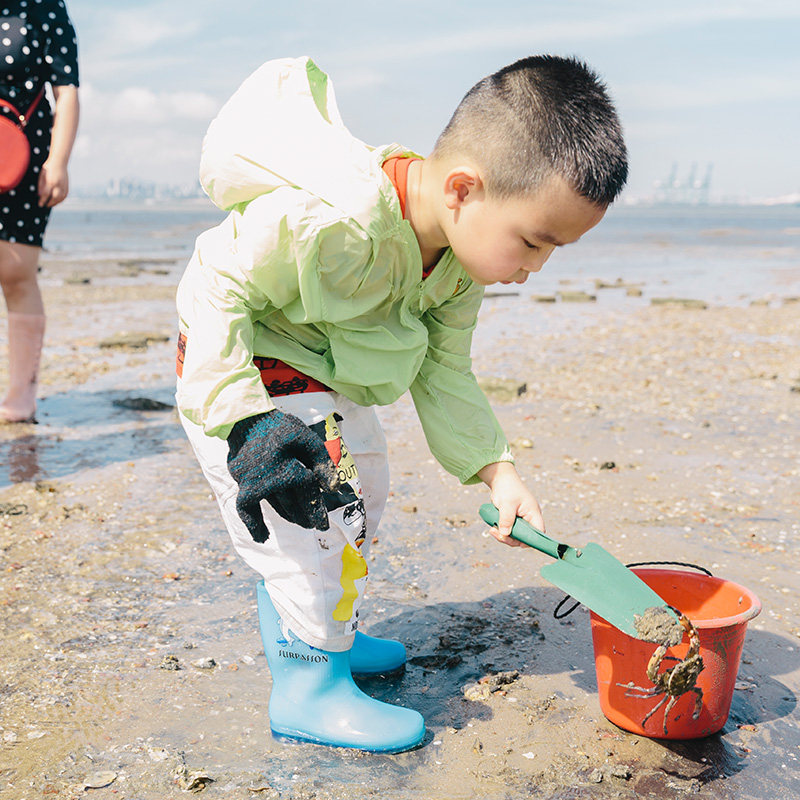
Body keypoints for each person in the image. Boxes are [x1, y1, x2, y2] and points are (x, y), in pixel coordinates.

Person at [176, 55, 627, 753]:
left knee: (364, 492)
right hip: (245, 366)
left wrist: (496, 471)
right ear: (462, 190)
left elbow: (445, 372)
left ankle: (329, 635)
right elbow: (214, 279)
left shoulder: (456, 267)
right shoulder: (339, 215)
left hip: (316, 367)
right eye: (534, 241)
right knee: (313, 514)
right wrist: (242, 423)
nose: (536, 267)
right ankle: (307, 685)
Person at [0, 0, 79, 423]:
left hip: (20, 156)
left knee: (15, 272)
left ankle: (19, 401)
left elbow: (65, 91)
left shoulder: (44, 7)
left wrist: (58, 161)